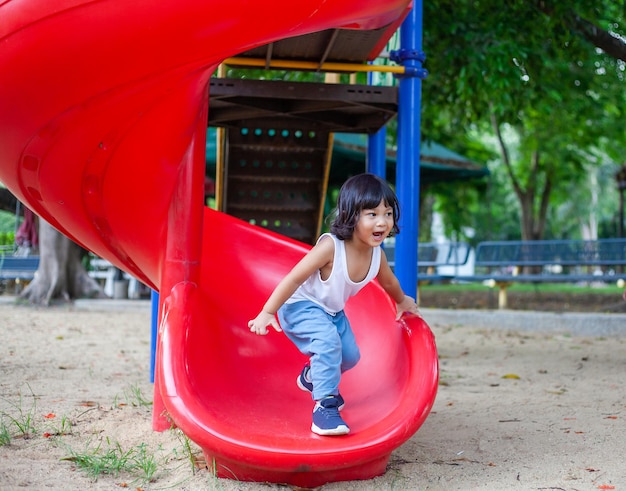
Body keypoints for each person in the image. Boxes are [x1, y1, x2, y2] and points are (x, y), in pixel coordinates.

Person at [248, 173, 421, 436]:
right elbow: (294, 277)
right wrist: (268, 311)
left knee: (350, 356)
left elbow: (389, 283)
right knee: (329, 343)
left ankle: (311, 376)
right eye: (372, 214)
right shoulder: (332, 247)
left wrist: (402, 300)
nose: (382, 221)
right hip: (299, 306)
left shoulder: (377, 256)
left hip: (331, 312)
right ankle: (325, 406)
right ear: (352, 215)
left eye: (387, 213)